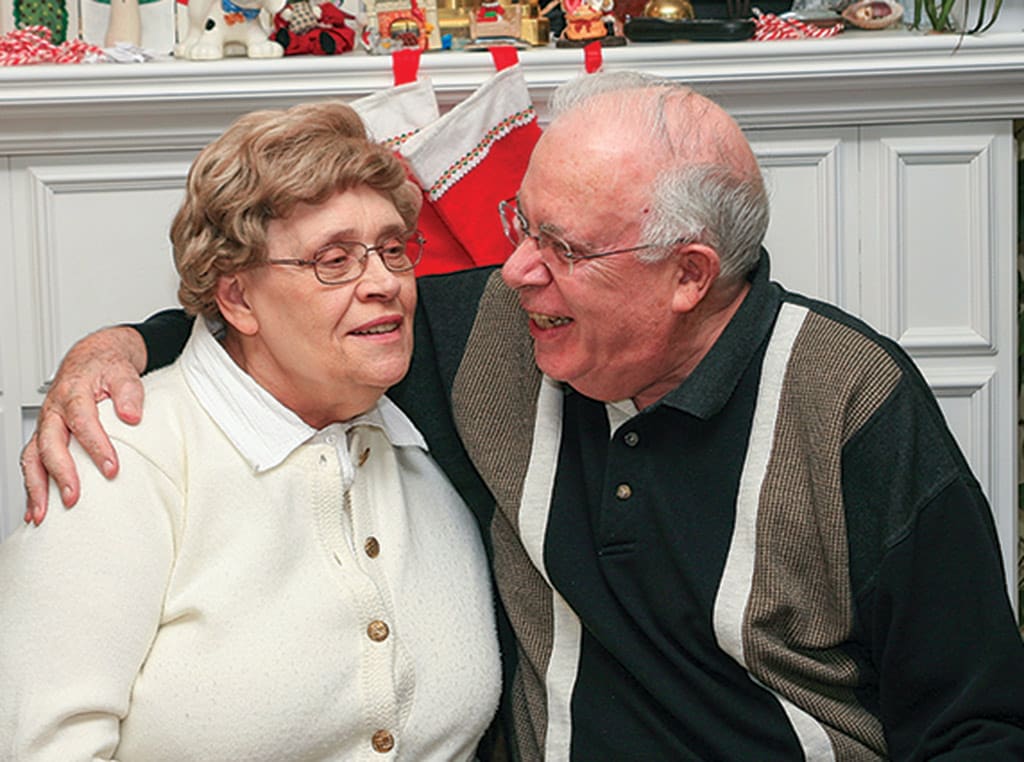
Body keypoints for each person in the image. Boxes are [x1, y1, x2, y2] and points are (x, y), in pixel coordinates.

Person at [19, 72, 1024, 760]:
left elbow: (975, 722)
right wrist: (119, 347)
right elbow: (277, 333)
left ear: (688, 276)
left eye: (564, 247)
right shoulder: (492, 338)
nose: (514, 271)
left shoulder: (849, 401)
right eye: (520, 225)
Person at [1, 101, 501, 760]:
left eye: (390, 250)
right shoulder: (123, 456)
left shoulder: (442, 432)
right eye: (334, 260)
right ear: (237, 299)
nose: (385, 283)